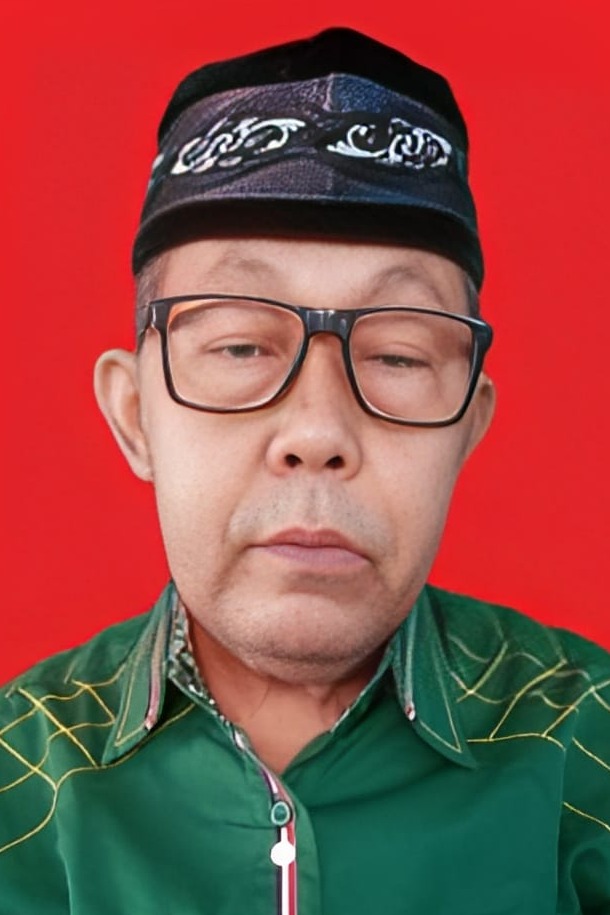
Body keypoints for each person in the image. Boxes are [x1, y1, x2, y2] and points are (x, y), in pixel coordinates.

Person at [1, 27, 609, 914]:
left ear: (468, 426)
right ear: (134, 417)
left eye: (398, 355)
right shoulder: (17, 779)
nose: (319, 430)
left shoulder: (589, 744)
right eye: (241, 346)